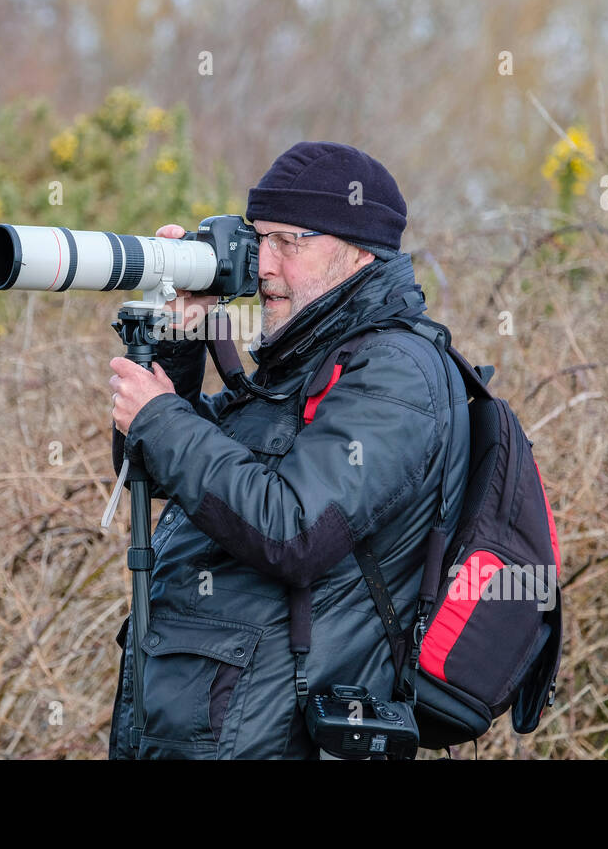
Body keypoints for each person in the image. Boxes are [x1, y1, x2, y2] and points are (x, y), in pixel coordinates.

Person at [107, 141, 470, 759]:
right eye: (258, 238)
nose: (263, 265)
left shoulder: (396, 373)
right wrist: (177, 344)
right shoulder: (298, 364)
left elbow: (295, 528)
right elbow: (153, 473)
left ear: (357, 252)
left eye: (288, 242)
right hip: (208, 730)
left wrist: (162, 419)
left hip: (281, 738)